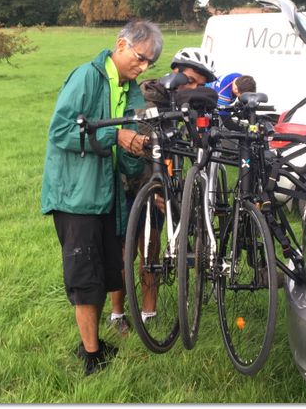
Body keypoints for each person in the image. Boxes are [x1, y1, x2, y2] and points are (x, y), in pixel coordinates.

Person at [41, 20, 163, 375]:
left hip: (107, 195)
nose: (142, 68)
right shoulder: (86, 77)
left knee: (106, 270)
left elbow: (126, 155)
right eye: (140, 59)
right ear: (121, 45)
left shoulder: (132, 91)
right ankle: (92, 357)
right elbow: (60, 131)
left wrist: (136, 147)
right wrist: (117, 137)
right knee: (85, 277)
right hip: (75, 197)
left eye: (149, 64)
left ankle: (93, 344)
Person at [106, 47, 217, 335]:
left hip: (162, 187)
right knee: (126, 251)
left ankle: (148, 313)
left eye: (201, 85)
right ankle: (117, 314)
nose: (194, 89)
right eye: (190, 80)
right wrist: (155, 187)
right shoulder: (146, 97)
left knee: (152, 249)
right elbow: (135, 150)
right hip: (131, 185)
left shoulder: (191, 104)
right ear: (175, 72)